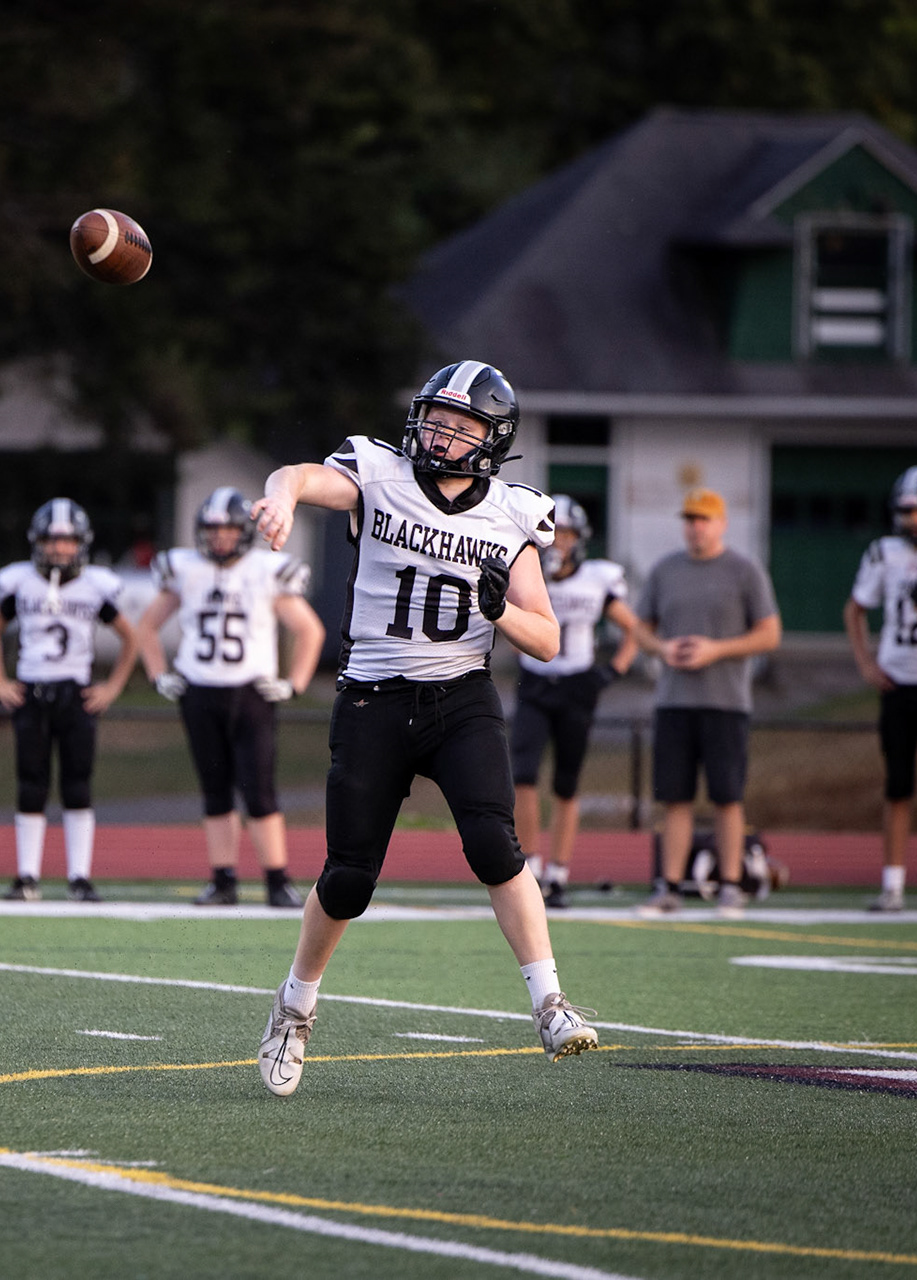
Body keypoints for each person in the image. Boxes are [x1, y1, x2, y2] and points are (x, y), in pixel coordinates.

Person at [250, 360, 599, 1098]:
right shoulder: (378, 474)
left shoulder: (513, 513)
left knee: (493, 843)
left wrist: (503, 609)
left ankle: (550, 1003)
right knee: (348, 879)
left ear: (491, 438)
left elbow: (548, 641)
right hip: (373, 697)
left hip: (459, 697)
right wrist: (280, 494)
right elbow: (307, 477)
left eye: (459, 423)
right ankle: (294, 1007)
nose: (440, 433)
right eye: (435, 418)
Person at [132, 487, 324, 907]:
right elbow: (145, 628)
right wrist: (158, 674)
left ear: (244, 532)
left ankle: (277, 881)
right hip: (199, 690)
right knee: (215, 790)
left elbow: (310, 630)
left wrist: (295, 683)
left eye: (228, 529)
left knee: (259, 791)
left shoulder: (267, 570)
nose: (219, 538)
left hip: (251, 693)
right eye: (212, 530)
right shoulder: (184, 568)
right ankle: (223, 881)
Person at [0, 498, 141, 902]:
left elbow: (131, 637)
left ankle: (79, 877)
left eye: (67, 541)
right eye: (52, 540)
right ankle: (27, 875)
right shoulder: (21, 583)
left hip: (74, 693)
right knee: (30, 785)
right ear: (37, 542)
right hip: (32, 691)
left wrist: (113, 686)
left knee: (77, 785)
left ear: (81, 544)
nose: (59, 549)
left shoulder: (93, 586)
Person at [633, 488, 781, 918]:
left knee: (727, 797)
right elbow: (640, 628)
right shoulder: (666, 570)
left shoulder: (744, 571)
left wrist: (717, 650)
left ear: (722, 523)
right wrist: (661, 649)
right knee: (675, 798)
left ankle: (731, 885)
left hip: (726, 703)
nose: (696, 527)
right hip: (674, 702)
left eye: (704, 519)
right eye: (690, 519)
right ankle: (669, 887)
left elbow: (770, 634)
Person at [510, 494, 638, 908]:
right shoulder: (526, 574)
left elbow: (634, 629)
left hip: (577, 685)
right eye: (554, 533)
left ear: (579, 538)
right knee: (523, 774)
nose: (559, 542)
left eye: (566, 533)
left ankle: (559, 873)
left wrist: (613, 671)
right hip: (536, 682)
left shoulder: (597, 578)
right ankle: (529, 868)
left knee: (567, 784)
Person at [847, 466, 917, 915]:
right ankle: (893, 885)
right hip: (897, 679)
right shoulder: (885, 553)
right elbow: (856, 608)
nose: (913, 519)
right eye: (906, 511)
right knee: (897, 786)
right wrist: (866, 662)